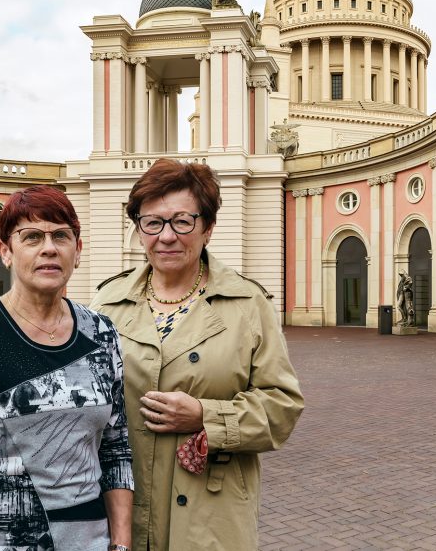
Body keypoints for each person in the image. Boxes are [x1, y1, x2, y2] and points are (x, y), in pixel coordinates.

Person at [91, 159, 304, 551]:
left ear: (208, 228)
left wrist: (206, 416)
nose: (166, 236)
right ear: (139, 230)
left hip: (211, 516)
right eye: (152, 222)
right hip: (122, 511)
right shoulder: (107, 303)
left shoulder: (247, 303)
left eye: (182, 221)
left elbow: (282, 407)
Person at [0, 186, 133, 551]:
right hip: (0, 542)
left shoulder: (101, 332)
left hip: (90, 541)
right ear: (6, 251)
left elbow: (116, 448)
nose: (49, 248)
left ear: (77, 251)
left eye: (61, 236)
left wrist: (121, 543)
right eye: (32, 237)